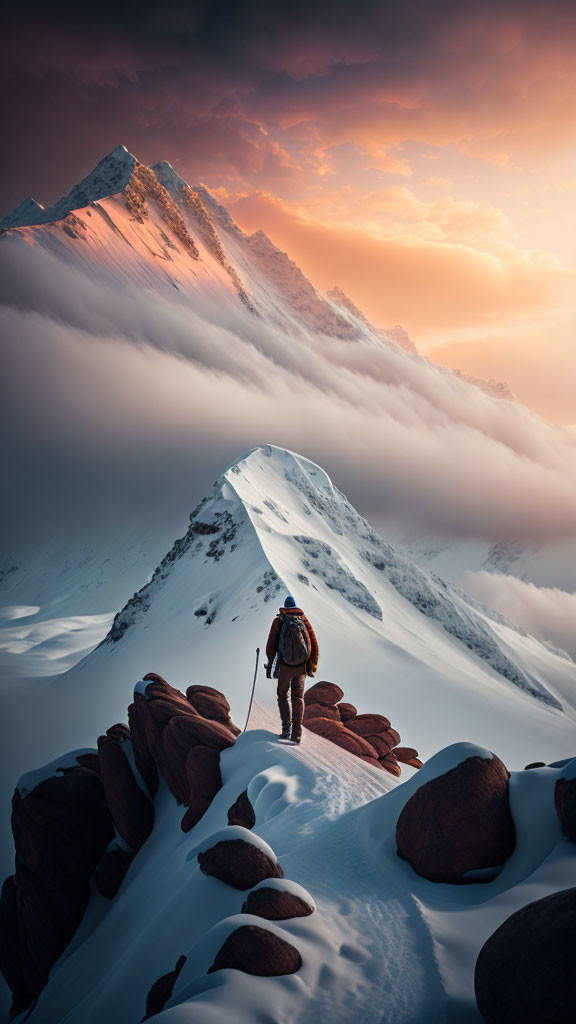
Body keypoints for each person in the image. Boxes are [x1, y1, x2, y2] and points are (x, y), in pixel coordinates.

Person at [265, 595, 319, 743]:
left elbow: (270, 646)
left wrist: (270, 664)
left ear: (284, 607)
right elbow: (311, 643)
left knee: (282, 696)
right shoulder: (303, 620)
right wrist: (309, 665)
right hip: (301, 667)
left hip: (285, 666)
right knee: (298, 698)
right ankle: (297, 734)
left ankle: (286, 730)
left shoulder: (279, 621)